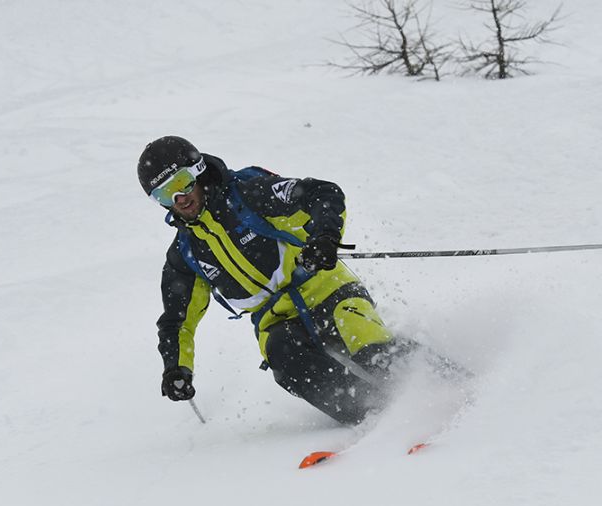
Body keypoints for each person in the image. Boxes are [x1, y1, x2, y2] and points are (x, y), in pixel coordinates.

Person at [138, 136, 412, 425]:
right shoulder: (186, 252)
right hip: (276, 320)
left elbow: (322, 193)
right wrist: (176, 369)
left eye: (181, 182)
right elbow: (177, 321)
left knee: (364, 337)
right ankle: (375, 416)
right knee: (284, 357)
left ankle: (440, 387)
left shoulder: (249, 195)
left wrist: (325, 238)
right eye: (164, 194)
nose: (178, 198)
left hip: (328, 291)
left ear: (198, 171)